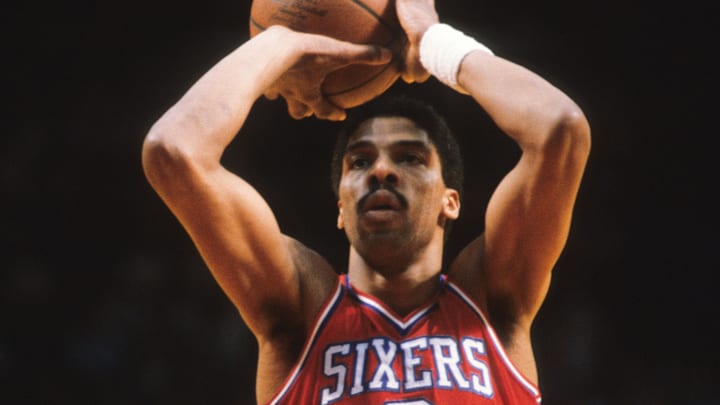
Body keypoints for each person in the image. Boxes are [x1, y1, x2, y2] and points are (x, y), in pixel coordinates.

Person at [141, 0, 590, 403]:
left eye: (410, 157)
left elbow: (560, 130)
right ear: (339, 206)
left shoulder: (493, 301)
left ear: (450, 202)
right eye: (358, 162)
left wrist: (435, 42)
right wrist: (281, 44)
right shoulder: (301, 310)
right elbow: (174, 150)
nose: (380, 170)